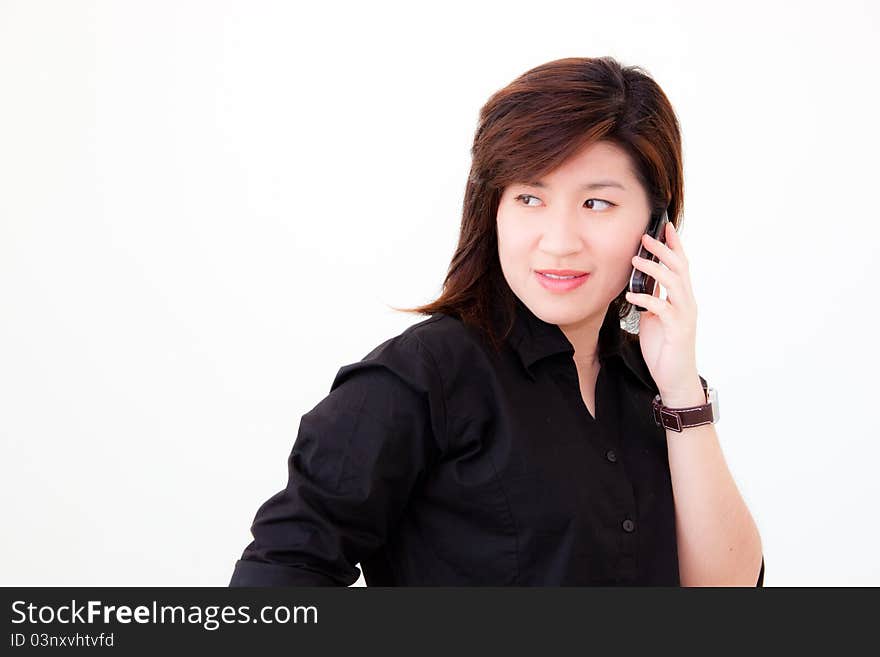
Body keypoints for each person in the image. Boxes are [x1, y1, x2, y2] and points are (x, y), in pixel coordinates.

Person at [228, 56, 765, 587]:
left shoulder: (656, 388)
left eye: (597, 204)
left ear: (657, 224)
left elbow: (728, 591)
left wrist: (680, 388)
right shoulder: (422, 376)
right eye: (530, 197)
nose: (558, 241)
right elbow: (277, 579)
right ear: (493, 209)